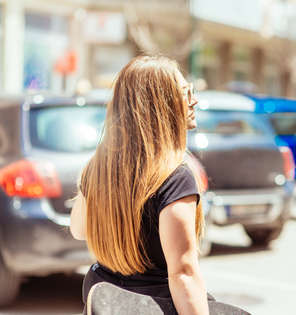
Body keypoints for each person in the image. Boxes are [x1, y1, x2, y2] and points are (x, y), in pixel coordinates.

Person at [70, 55, 209, 315]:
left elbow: (78, 230)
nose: (194, 99)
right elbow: (183, 275)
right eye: (185, 92)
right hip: (154, 305)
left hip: (104, 299)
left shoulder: (98, 167)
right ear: (159, 104)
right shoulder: (175, 177)